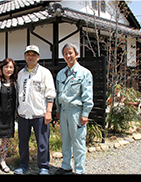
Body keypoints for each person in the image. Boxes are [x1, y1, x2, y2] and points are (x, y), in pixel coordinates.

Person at [14, 45, 56, 175]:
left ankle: (43, 166)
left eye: (33, 55)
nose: (30, 57)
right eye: (28, 54)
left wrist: (48, 112)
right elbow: (18, 93)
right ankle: (23, 164)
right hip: (23, 114)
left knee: (43, 143)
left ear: (38, 57)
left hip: (40, 114)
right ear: (25, 56)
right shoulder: (21, 74)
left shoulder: (44, 73)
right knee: (23, 142)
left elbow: (50, 93)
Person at [55, 43, 94, 175]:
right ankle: (66, 166)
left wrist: (85, 113)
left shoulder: (84, 73)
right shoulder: (61, 74)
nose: (68, 56)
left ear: (76, 54)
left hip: (76, 113)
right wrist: (58, 110)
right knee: (65, 141)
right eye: (65, 53)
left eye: (70, 53)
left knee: (78, 142)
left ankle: (79, 170)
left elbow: (87, 96)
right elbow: (58, 94)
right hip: (64, 112)